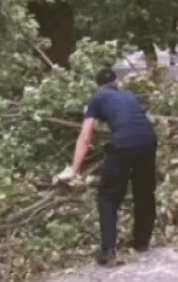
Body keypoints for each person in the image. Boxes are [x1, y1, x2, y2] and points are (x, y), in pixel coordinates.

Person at [56, 66, 160, 266]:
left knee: (108, 196)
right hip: (148, 139)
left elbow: (85, 137)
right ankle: (141, 243)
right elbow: (131, 119)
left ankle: (108, 251)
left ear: (99, 86)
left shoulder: (97, 99)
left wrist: (74, 170)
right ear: (116, 82)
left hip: (123, 143)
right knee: (144, 191)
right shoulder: (129, 96)